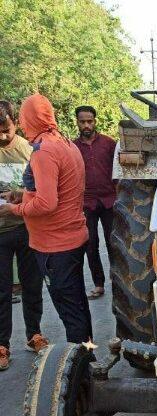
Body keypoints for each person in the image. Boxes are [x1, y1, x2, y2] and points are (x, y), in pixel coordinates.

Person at [0, 94, 92, 344]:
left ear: (28, 119)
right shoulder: (65, 143)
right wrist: (21, 195)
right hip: (72, 237)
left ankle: (79, 372)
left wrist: (13, 209)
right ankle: (87, 355)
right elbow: (58, 190)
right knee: (77, 304)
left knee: (70, 311)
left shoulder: (43, 152)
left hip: (56, 244)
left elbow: (46, 204)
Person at [0, 101, 45, 370]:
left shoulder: (29, 150)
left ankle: (34, 335)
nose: (2, 135)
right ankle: (2, 344)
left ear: (14, 122)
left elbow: (40, 187)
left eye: (6, 128)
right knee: (1, 291)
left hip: (27, 229)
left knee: (32, 285)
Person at [73, 106, 117, 300]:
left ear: (95, 121)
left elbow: (119, 170)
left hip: (109, 201)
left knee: (114, 243)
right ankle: (98, 284)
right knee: (91, 245)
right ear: (77, 122)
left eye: (90, 121)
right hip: (86, 203)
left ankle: (118, 282)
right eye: (82, 121)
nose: (86, 125)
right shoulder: (72, 147)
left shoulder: (109, 144)